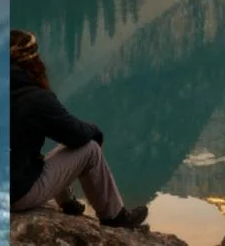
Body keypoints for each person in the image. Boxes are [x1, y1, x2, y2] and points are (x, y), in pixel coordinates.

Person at [9, 29, 148, 228]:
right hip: (16, 194)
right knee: (89, 149)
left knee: (38, 153)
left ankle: (67, 201)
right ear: (32, 60)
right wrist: (95, 131)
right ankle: (115, 216)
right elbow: (76, 135)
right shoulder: (34, 98)